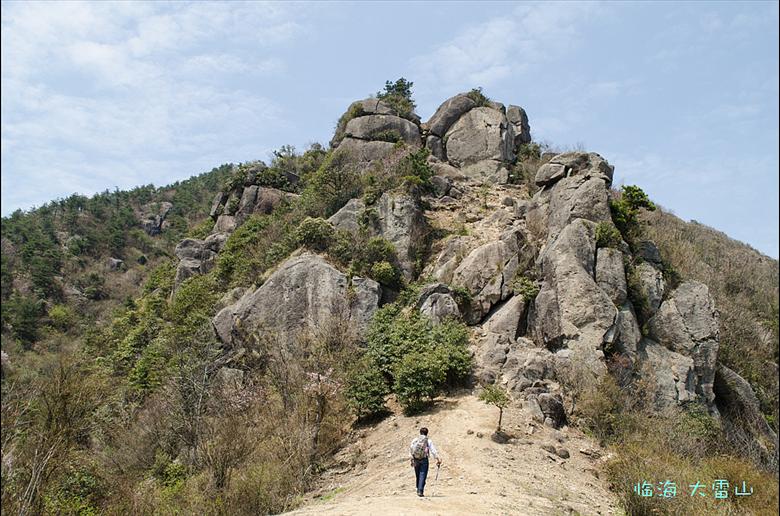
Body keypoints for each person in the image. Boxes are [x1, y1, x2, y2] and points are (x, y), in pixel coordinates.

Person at [409, 427, 441, 497]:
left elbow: (411, 449)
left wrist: (411, 459)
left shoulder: (415, 440)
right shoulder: (428, 441)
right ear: (427, 433)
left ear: (420, 433)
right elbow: (433, 450)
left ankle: (418, 489)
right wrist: (438, 458)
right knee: (422, 474)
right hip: (424, 459)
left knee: (417, 475)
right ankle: (420, 490)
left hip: (416, 459)